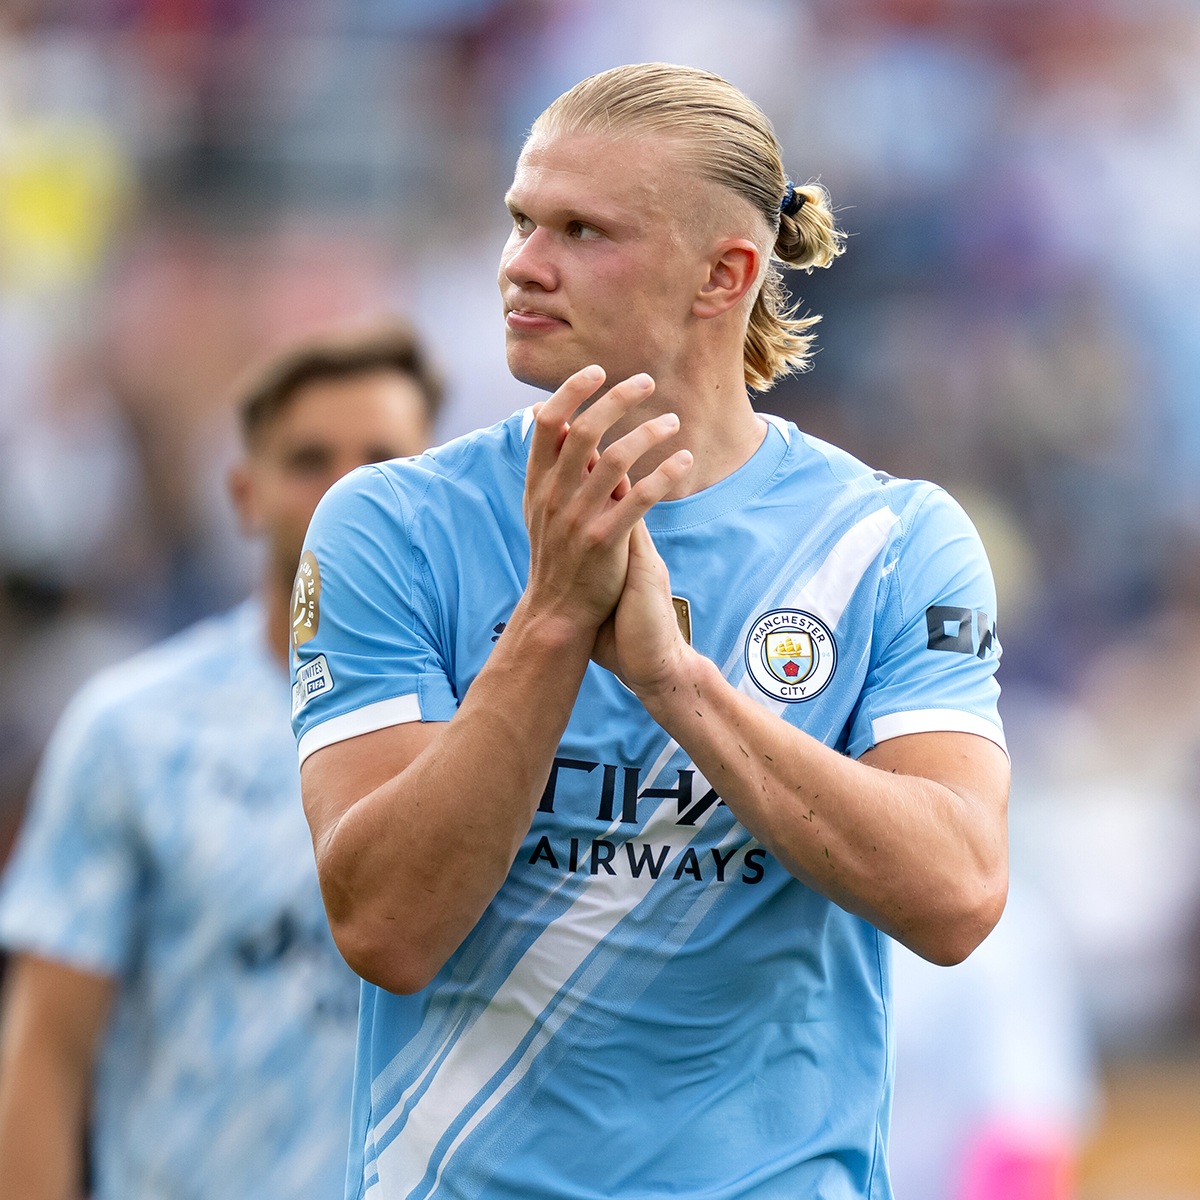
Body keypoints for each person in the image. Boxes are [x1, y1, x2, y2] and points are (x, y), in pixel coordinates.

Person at [291, 62, 1010, 1199]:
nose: (522, 264)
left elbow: (959, 893)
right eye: (522, 220)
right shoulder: (393, 523)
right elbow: (386, 927)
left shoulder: (888, 540)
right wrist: (551, 621)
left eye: (582, 231)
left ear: (725, 275)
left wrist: (678, 684)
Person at [0, 321, 442, 1200]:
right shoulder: (135, 730)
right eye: (309, 459)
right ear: (245, 494)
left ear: (435, 488)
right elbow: (48, 1049)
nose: (346, 488)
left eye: (381, 459)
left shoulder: (498, 722)